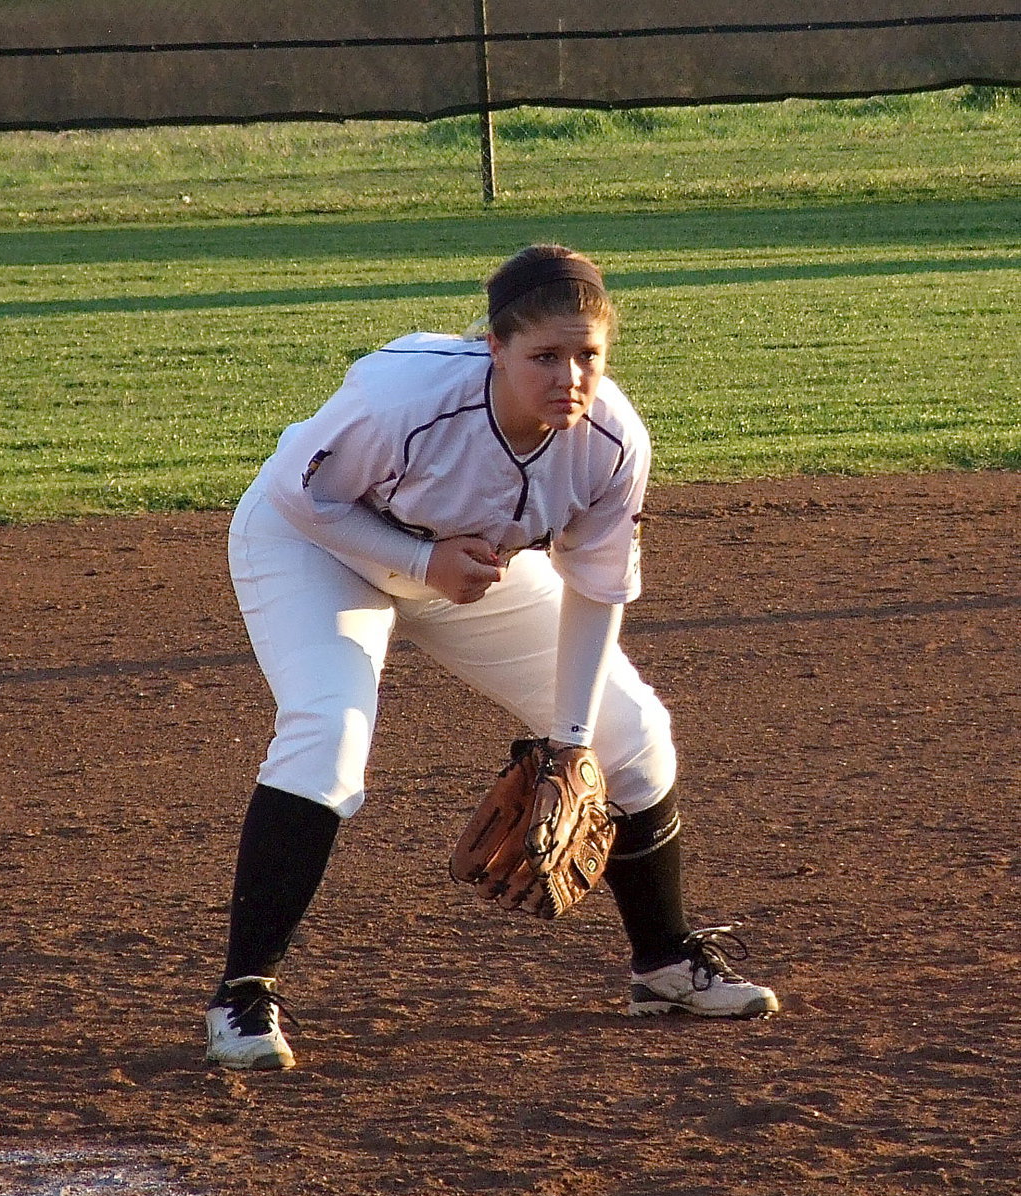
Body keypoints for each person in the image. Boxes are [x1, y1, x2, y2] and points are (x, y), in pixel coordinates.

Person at [205, 244, 778, 1071]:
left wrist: (573, 738)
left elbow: (595, 589)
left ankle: (663, 962)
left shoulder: (611, 443)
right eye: (544, 355)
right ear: (494, 350)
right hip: (317, 546)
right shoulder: (402, 396)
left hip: (466, 570)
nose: (569, 376)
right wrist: (423, 564)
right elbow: (300, 492)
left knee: (631, 730)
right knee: (328, 735)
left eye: (588, 356)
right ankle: (243, 994)